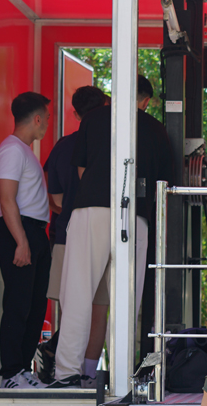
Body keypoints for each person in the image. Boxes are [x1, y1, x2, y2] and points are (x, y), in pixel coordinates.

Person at [53, 74, 173, 387]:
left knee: (78, 292)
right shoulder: (156, 128)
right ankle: (121, 376)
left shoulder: (93, 119)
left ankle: (66, 373)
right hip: (136, 215)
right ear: (146, 101)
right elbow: (163, 185)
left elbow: (81, 169)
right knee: (126, 300)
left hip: (90, 209)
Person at [39, 85, 109, 383]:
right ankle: (89, 373)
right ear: (105, 106)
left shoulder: (64, 146)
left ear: (76, 114)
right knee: (99, 308)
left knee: (71, 307)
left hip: (67, 231)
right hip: (109, 230)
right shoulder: (113, 143)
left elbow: (53, 198)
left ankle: (65, 370)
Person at [0, 91, 52, 389]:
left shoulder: (24, 151)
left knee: (35, 305)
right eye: (47, 118)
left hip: (34, 231)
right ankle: (11, 373)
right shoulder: (12, 150)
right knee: (18, 304)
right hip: (18, 231)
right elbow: (7, 199)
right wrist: (22, 241)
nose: (48, 124)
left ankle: (23, 370)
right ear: (37, 119)